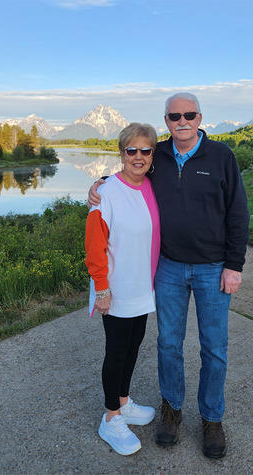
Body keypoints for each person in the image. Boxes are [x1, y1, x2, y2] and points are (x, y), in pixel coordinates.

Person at [88, 92, 249, 459]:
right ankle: (171, 411)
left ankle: (211, 418)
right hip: (170, 268)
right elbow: (128, 168)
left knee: (214, 348)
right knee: (168, 345)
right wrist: (97, 183)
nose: (182, 121)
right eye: (174, 116)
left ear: (199, 117)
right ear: (166, 120)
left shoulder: (221, 156)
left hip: (212, 269)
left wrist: (234, 265)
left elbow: (238, 214)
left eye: (189, 114)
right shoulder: (156, 153)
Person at [85, 123, 159, 455]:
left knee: (133, 346)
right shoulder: (106, 192)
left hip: (142, 285)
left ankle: (124, 402)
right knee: (116, 352)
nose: (139, 157)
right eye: (132, 150)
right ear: (121, 154)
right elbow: (94, 245)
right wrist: (101, 289)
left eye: (146, 150)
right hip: (115, 288)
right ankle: (111, 417)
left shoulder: (150, 186)